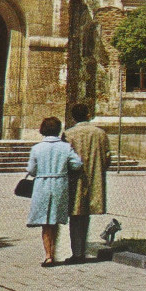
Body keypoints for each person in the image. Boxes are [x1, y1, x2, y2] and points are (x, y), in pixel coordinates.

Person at [26, 116, 83, 267]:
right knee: (54, 220)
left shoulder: (37, 148)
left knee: (45, 223)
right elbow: (77, 164)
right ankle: (54, 250)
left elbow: (31, 170)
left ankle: (48, 255)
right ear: (58, 130)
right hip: (59, 184)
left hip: (42, 185)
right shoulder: (65, 147)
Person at [63, 103, 111, 264]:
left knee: (75, 216)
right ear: (88, 115)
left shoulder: (68, 134)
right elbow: (107, 158)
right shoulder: (100, 134)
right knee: (86, 216)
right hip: (94, 179)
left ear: (73, 117)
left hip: (75, 180)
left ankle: (77, 252)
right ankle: (81, 249)